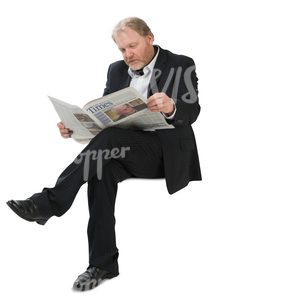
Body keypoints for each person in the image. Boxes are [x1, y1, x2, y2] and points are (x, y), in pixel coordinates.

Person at [7, 17, 202, 291]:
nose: (127, 55)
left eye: (132, 46)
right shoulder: (116, 70)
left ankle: (50, 202)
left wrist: (172, 108)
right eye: (122, 50)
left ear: (150, 38)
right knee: (100, 170)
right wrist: (76, 128)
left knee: (109, 143)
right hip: (125, 148)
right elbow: (105, 120)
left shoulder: (181, 64)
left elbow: (192, 112)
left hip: (164, 153)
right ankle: (102, 264)